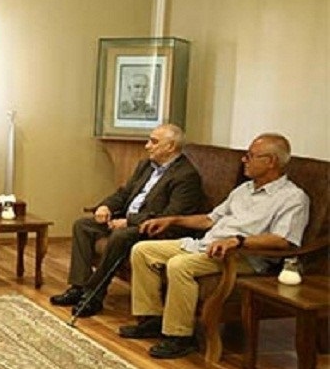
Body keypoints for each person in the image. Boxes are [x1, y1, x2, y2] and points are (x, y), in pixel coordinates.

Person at [119, 133, 309, 359]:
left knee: (180, 265)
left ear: (271, 161)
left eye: (250, 156)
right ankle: (152, 320)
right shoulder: (244, 189)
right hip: (207, 245)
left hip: (242, 257)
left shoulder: (292, 198)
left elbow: (283, 239)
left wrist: (238, 241)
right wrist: (173, 219)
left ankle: (180, 337)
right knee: (143, 250)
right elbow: (210, 220)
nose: (244, 160)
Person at [50, 124, 205, 317]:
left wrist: (129, 221)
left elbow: (171, 216)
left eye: (154, 142)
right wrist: (106, 207)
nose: (147, 146)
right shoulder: (146, 166)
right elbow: (124, 194)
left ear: (170, 146)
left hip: (152, 229)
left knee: (121, 236)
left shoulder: (186, 176)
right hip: (126, 219)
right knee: (83, 225)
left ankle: (92, 296)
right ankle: (78, 287)